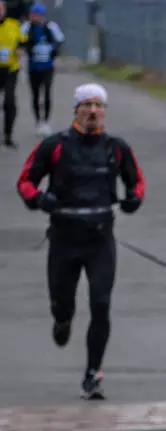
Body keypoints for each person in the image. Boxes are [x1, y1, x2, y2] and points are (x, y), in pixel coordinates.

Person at [16, 83, 146, 400]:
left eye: (98, 106)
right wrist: (39, 199)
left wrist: (133, 200)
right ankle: (62, 321)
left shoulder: (117, 148)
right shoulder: (54, 146)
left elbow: (138, 183)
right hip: (64, 238)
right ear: (76, 110)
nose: (92, 111)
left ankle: (93, 374)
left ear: (104, 112)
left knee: (101, 304)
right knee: (63, 302)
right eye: (86, 105)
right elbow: (25, 182)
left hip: (100, 238)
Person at [21, 2, 64, 136]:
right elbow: (20, 40)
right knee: (35, 94)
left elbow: (60, 41)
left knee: (46, 92)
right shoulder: (27, 28)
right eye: (32, 15)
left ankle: (45, 121)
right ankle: (38, 121)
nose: (35, 18)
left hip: (47, 67)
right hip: (33, 67)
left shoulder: (51, 27)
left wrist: (54, 52)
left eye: (37, 15)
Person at [0, 0, 26, 148]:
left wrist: (20, 49)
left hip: (10, 69)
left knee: (9, 102)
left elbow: (22, 41)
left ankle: (8, 134)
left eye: (1, 8)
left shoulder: (13, 25)